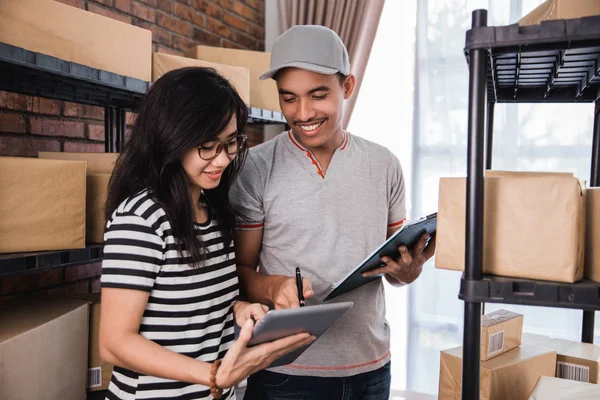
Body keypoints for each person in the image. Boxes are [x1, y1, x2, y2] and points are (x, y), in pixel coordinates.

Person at [230, 25, 436, 399]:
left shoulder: (384, 164)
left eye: (318, 95)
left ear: (348, 87)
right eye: (289, 98)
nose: (303, 112)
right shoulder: (255, 168)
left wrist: (410, 271)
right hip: (283, 373)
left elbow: (397, 272)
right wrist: (273, 285)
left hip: (370, 370)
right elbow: (238, 273)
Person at [98, 67, 315, 400]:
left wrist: (240, 310)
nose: (222, 159)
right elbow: (115, 343)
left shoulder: (213, 214)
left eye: (230, 143)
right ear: (171, 140)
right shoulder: (141, 219)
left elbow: (195, 308)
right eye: (207, 146)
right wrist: (212, 375)